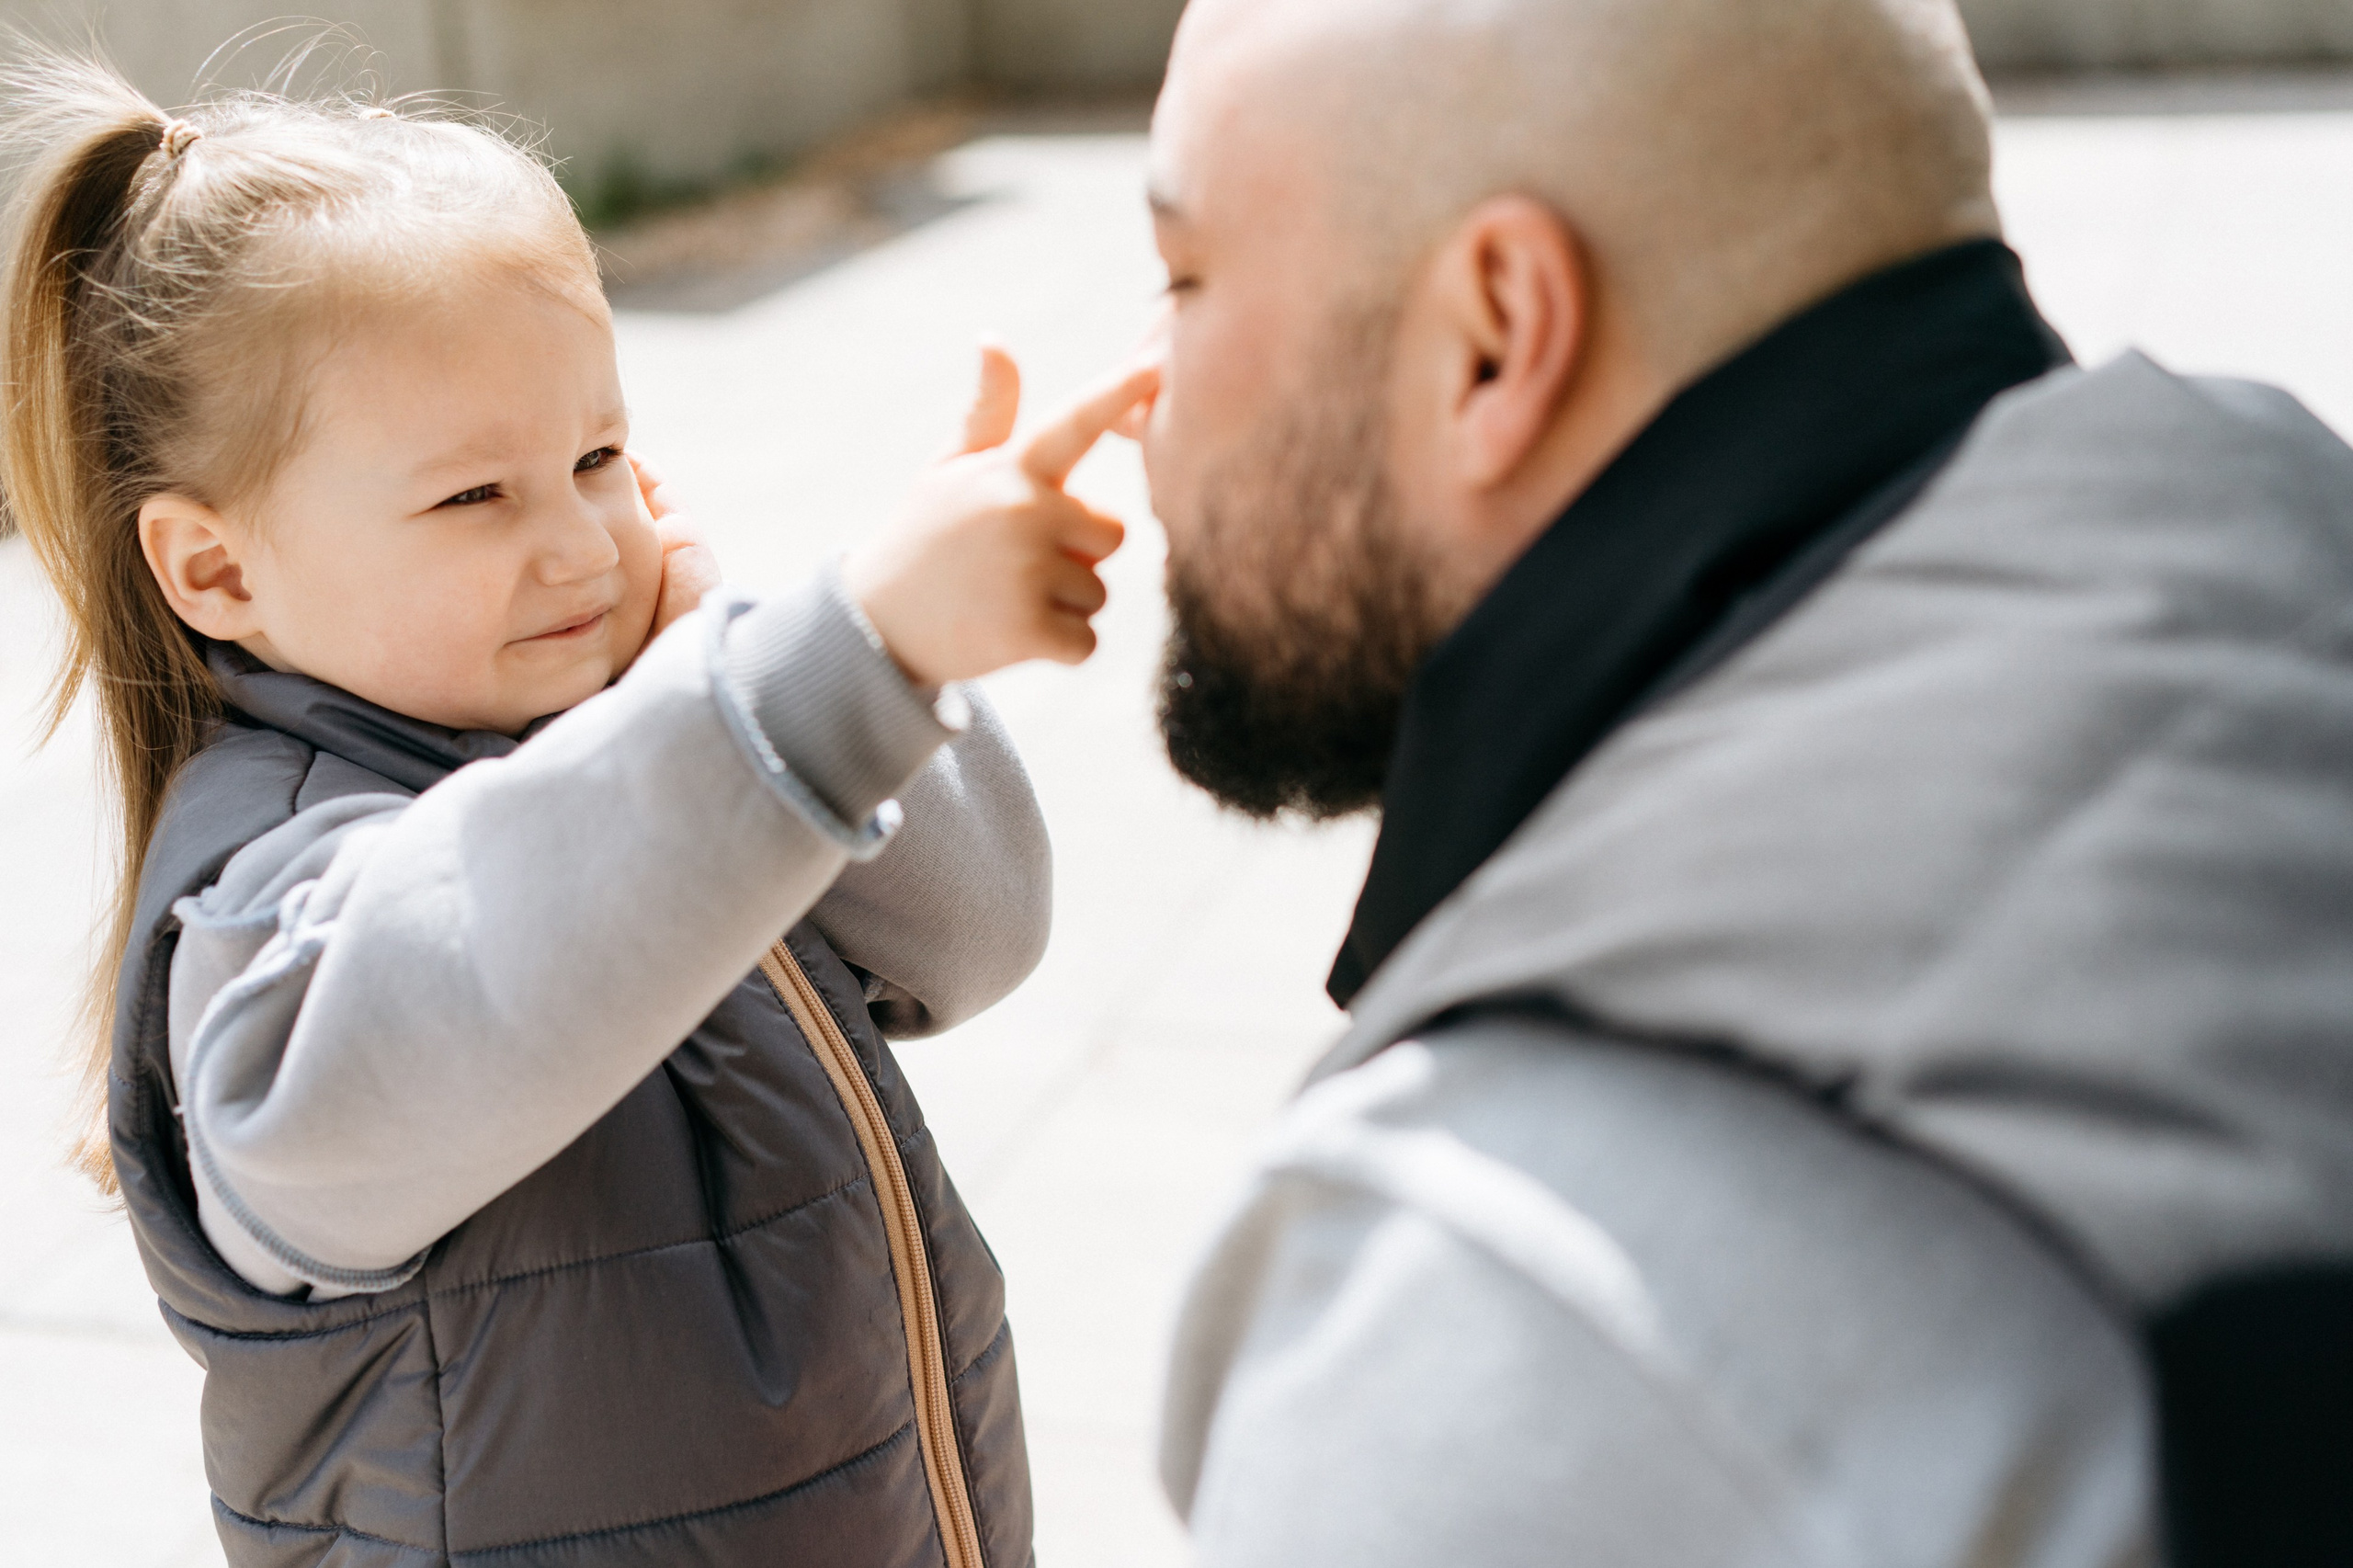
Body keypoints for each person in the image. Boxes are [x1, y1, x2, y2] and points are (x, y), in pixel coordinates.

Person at [1131, 0, 2353, 1563]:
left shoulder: (1523, 1293)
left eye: (1184, 277)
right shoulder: (2284, 537)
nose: (1140, 398)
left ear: (1498, 335)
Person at [0, 54, 1153, 1568]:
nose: (580, 543)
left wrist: (795, 657)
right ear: (218, 571)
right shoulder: (267, 905)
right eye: (476, 497)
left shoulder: (657, 742)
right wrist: (851, 658)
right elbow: (493, 966)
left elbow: (978, 931)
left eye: (600, 457)